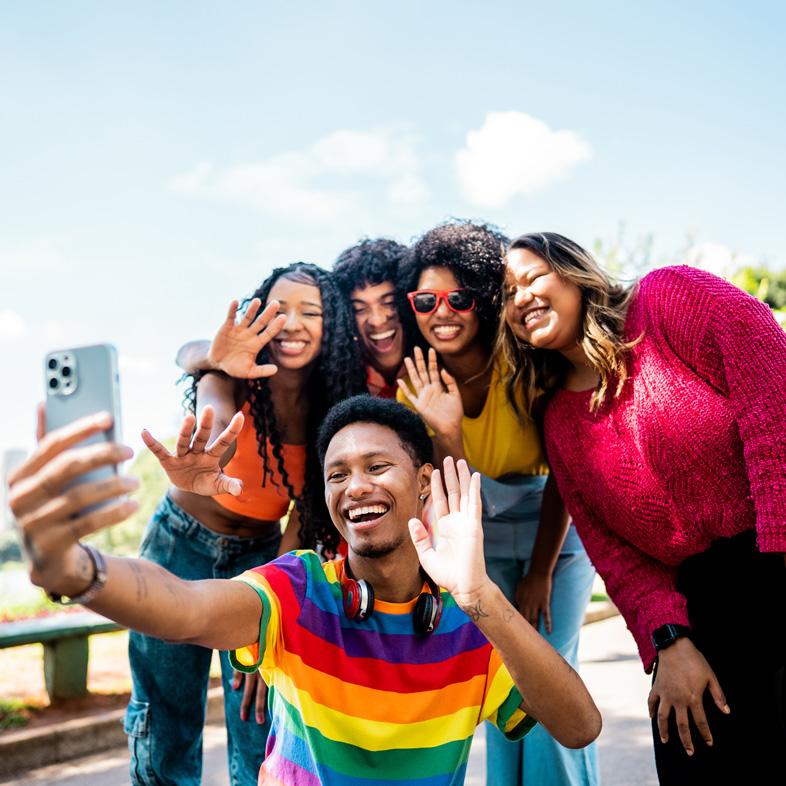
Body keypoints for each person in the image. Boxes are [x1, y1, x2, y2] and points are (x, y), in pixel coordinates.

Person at [9, 395, 601, 786]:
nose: (355, 486)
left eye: (377, 466)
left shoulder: (475, 620)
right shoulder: (298, 588)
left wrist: (480, 598)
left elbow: (579, 727)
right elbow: (185, 608)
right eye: (337, 474)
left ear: (424, 483)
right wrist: (79, 569)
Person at [498, 231, 786, 784]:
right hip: (697, 606)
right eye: (507, 295)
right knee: (685, 740)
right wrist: (668, 643)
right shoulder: (559, 422)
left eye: (532, 277)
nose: (521, 299)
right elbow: (615, 556)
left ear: (575, 271)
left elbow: (773, 403)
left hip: (772, 551)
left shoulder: (668, 297)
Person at [128, 262, 366, 785]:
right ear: (259, 316)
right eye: (279, 310)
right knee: (165, 714)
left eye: (312, 312)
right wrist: (214, 441)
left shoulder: (333, 404)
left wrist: (281, 600)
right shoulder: (231, 371)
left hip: (261, 556)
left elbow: (305, 514)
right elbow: (196, 364)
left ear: (333, 328)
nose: (294, 324)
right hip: (179, 546)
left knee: (258, 715)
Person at [396, 220, 599, 786]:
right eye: (426, 299)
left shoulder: (526, 362)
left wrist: (539, 571)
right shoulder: (415, 384)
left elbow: (565, 472)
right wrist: (448, 433)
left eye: (458, 298)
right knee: (504, 679)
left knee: (546, 678)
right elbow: (451, 494)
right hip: (475, 528)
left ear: (482, 301)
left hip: (552, 532)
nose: (443, 311)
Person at [333, 237, 409, 398]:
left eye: (390, 302)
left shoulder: (446, 367)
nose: (377, 320)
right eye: (359, 309)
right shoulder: (335, 381)